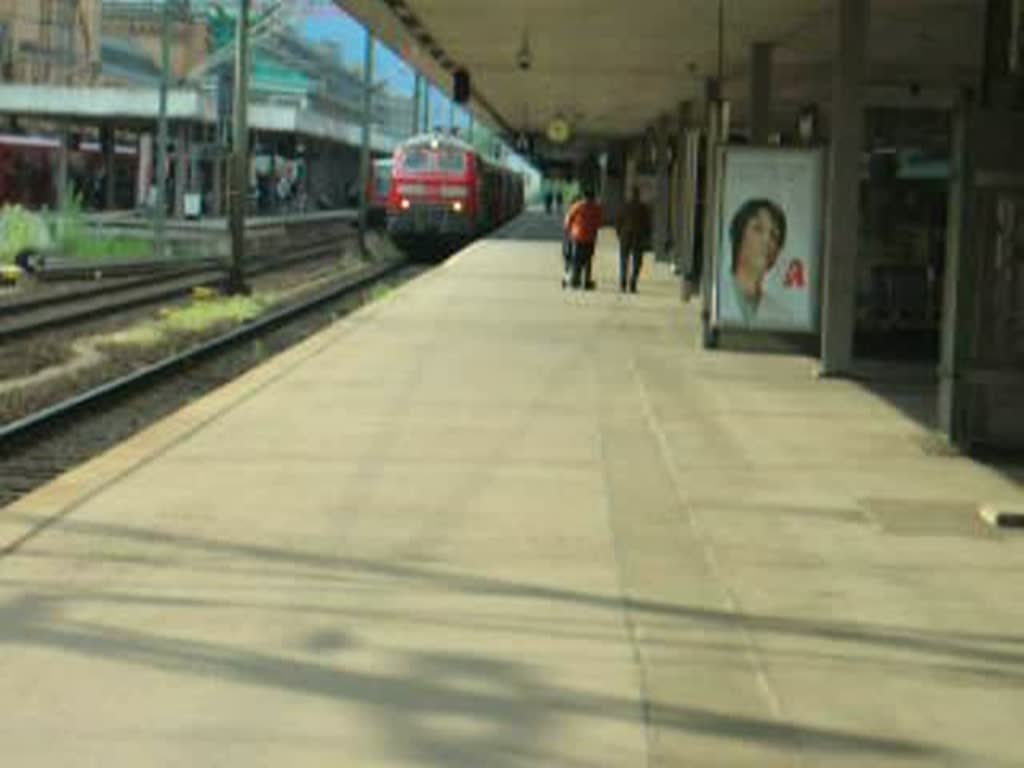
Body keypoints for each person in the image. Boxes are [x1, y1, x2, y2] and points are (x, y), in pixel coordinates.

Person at [723, 198, 787, 323]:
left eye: (774, 235)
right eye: (758, 229)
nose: (767, 241)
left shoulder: (782, 316)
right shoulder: (718, 295)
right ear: (739, 235)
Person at [563, 185, 603, 290]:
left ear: (583, 196)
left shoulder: (577, 206)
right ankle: (586, 282)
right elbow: (600, 223)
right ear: (593, 197)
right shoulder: (597, 208)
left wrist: (568, 231)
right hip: (590, 238)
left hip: (577, 237)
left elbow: (568, 220)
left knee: (576, 260)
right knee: (587, 260)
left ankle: (575, 282)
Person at [615, 186, 651, 293]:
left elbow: (618, 221)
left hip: (625, 236)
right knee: (637, 261)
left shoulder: (624, 206)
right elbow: (647, 223)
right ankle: (633, 283)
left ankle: (623, 283)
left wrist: (619, 234)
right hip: (638, 237)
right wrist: (647, 236)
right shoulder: (643, 208)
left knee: (624, 260)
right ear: (638, 195)